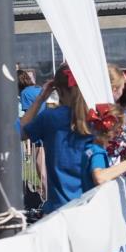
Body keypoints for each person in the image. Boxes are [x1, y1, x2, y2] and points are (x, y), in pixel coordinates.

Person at [20, 66, 94, 215]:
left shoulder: (50, 118)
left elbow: (20, 132)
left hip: (59, 207)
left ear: (57, 90)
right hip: (92, 203)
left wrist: (40, 98)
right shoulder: (97, 118)